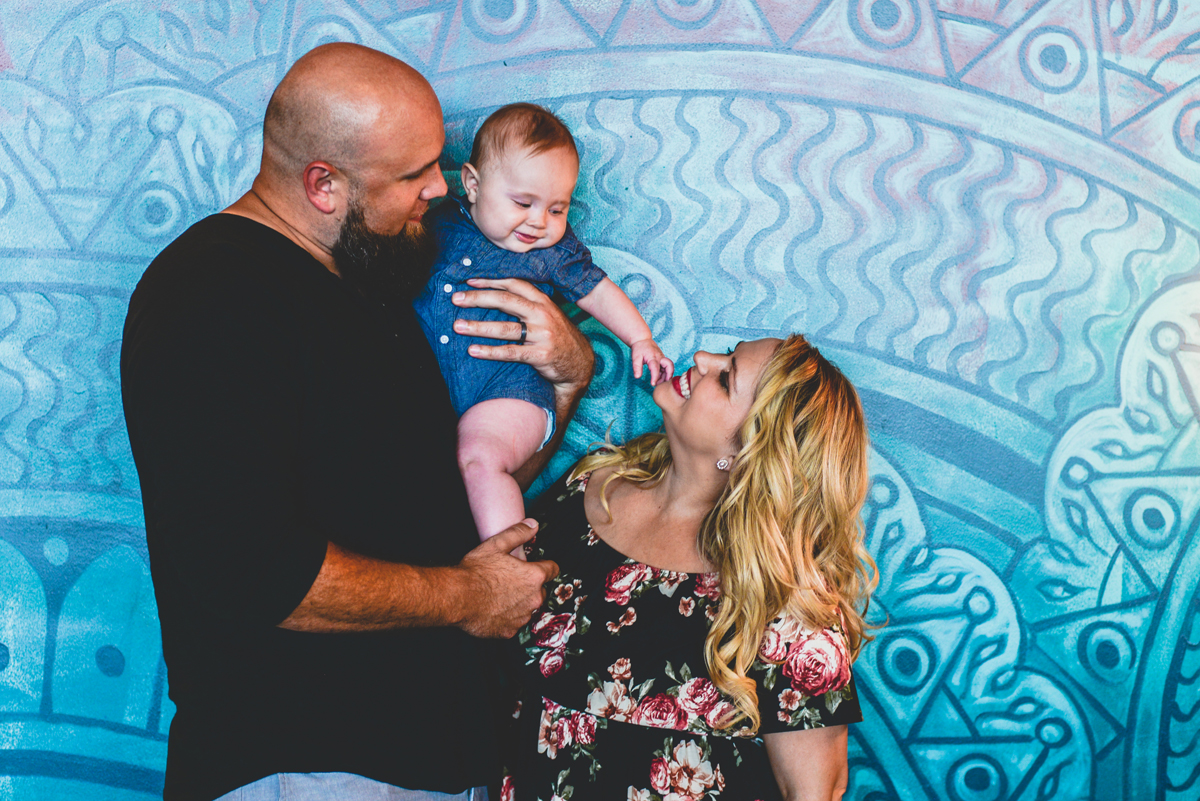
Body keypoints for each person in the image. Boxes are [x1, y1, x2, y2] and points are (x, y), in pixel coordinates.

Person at [120, 43, 594, 801]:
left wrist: (568, 381)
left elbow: (456, 492)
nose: (440, 191)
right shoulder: (210, 294)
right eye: (413, 174)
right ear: (323, 185)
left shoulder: (372, 284)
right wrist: (471, 598)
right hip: (303, 765)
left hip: (427, 761)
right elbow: (250, 569)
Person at [506, 335, 876, 801]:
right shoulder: (593, 483)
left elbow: (814, 790)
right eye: (726, 352)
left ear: (748, 451)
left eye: (726, 378)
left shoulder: (784, 606)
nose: (702, 358)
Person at [414, 103, 673, 546]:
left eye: (558, 209)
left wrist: (640, 338)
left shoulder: (553, 253)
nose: (539, 222)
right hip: (437, 391)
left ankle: (509, 560)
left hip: (509, 394)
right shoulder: (436, 224)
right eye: (523, 203)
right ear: (473, 185)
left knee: (479, 458)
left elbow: (598, 289)